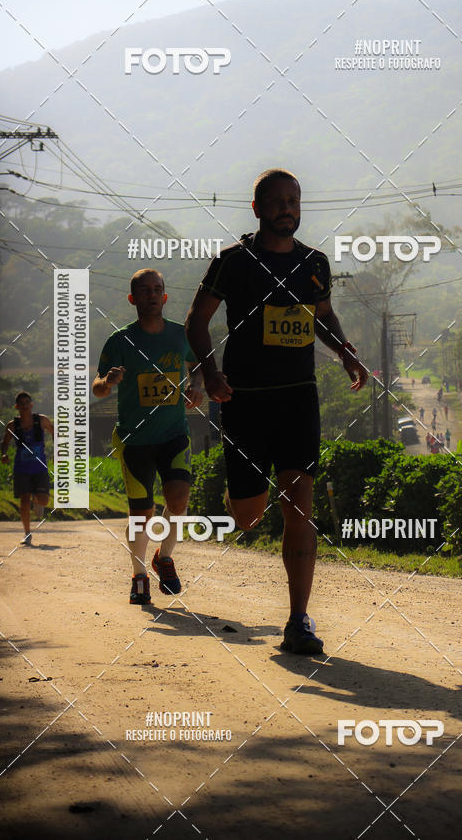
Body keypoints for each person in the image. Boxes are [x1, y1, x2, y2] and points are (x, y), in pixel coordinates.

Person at [186, 168, 368, 655]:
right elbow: (197, 322)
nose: (288, 208)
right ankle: (238, 497)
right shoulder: (233, 262)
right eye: (278, 201)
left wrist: (345, 352)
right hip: (244, 400)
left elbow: (323, 315)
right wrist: (211, 372)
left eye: (295, 199)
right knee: (248, 517)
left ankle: (298, 621)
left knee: (299, 509)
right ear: (258, 208)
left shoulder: (315, 263)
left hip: (297, 398)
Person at [92, 269, 203, 604]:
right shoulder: (120, 341)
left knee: (179, 499)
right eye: (145, 291)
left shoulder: (180, 335)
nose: (152, 295)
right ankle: (139, 575)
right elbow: (97, 387)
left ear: (165, 296)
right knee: (142, 512)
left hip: (173, 433)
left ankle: (163, 557)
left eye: (158, 289)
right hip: (134, 440)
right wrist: (108, 382)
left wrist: (196, 386)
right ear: (133, 299)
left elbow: (197, 365)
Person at [0, 392, 54, 545]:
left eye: (27, 402)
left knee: (43, 500)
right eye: (21, 403)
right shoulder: (12, 425)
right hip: (21, 468)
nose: (24, 406)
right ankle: (27, 533)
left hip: (39, 467)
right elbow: (4, 443)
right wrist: (4, 454)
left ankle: (37, 500)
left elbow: (55, 433)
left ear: (31, 405)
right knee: (24, 500)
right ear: (17, 406)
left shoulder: (42, 420)